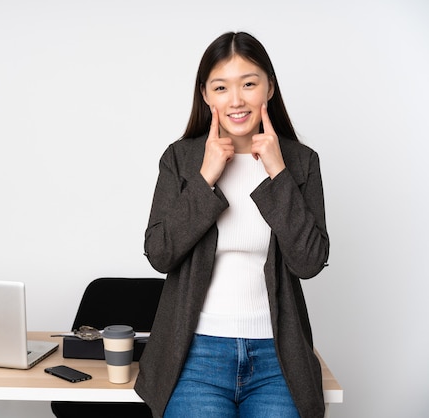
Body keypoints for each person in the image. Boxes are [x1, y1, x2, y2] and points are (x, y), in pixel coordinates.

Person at [134, 31, 330, 418]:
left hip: (279, 360)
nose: (236, 100)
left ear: (269, 88)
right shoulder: (181, 159)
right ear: (206, 95)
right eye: (221, 87)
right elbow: (160, 253)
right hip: (196, 356)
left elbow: (309, 261)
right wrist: (205, 177)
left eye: (249, 84)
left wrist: (277, 173)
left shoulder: (301, 162)